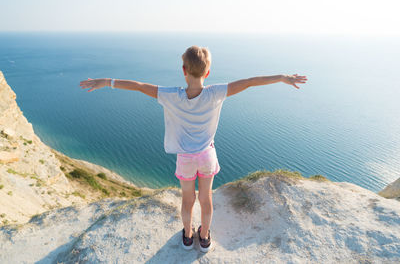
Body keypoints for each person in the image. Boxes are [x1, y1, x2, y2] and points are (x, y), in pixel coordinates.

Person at [79, 45, 307, 253]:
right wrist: (282, 77)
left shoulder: (171, 95)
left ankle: (188, 237)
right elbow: (249, 81)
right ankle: (205, 237)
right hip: (207, 155)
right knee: (206, 199)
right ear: (207, 73)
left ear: (183, 70)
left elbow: (138, 86)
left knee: (187, 200)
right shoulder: (216, 93)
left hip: (185, 159)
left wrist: (105, 81)